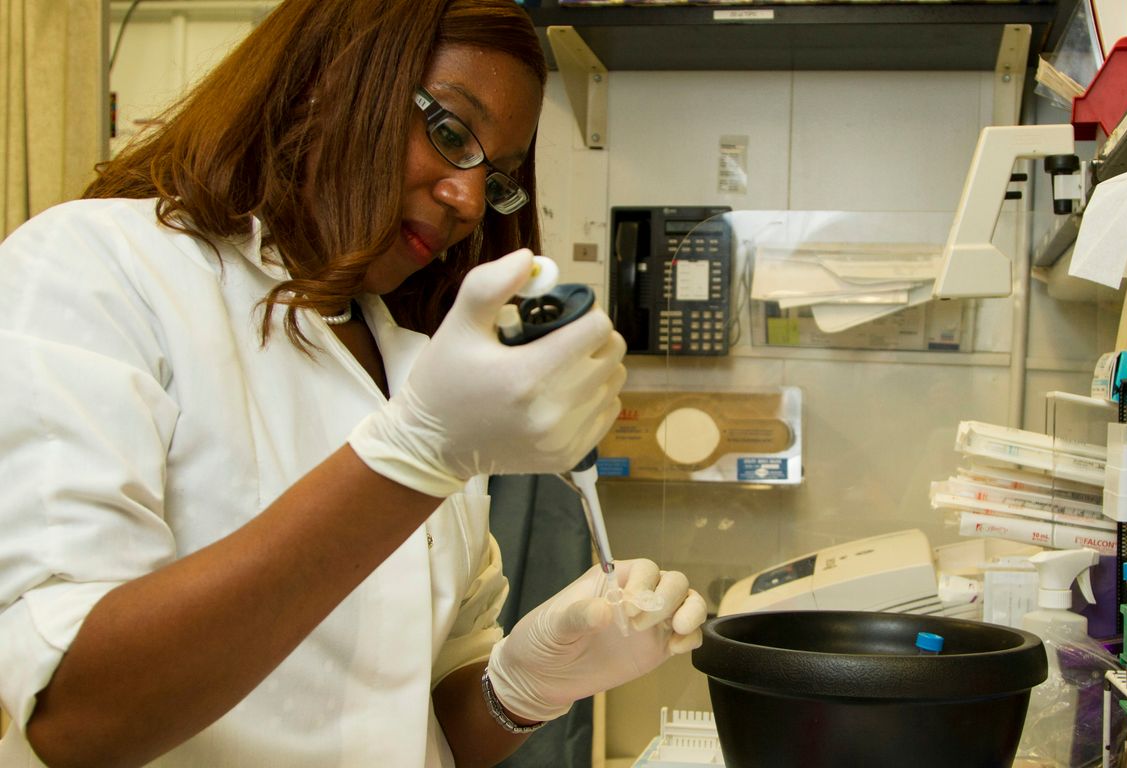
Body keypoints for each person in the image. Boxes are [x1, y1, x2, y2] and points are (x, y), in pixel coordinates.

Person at [0, 1, 706, 766]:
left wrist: (525, 684)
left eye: (497, 179)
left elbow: (422, 722)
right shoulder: (97, 272)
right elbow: (69, 717)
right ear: (324, 82)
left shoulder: (415, 365)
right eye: (448, 133)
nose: (469, 201)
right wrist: (413, 455)